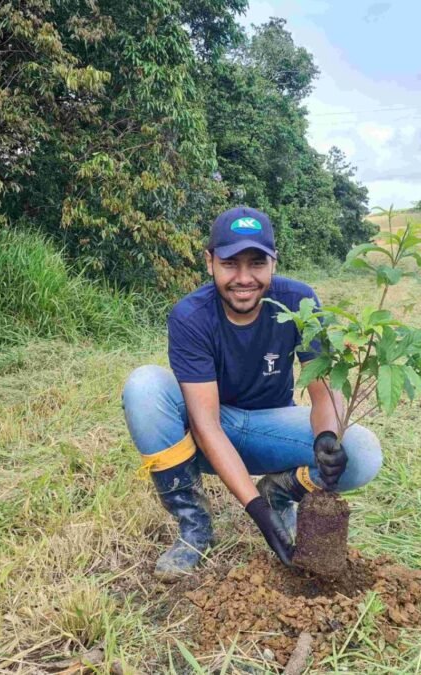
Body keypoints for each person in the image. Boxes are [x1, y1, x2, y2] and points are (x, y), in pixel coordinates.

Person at [121, 206, 383, 581]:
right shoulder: (191, 316)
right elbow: (207, 425)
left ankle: (282, 490)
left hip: (272, 430)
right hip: (212, 430)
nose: (243, 278)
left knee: (361, 453)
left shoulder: (299, 303)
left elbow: (324, 393)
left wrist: (326, 436)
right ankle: (194, 526)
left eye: (257, 263)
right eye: (230, 264)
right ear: (210, 262)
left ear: (274, 262)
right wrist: (257, 512)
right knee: (145, 386)